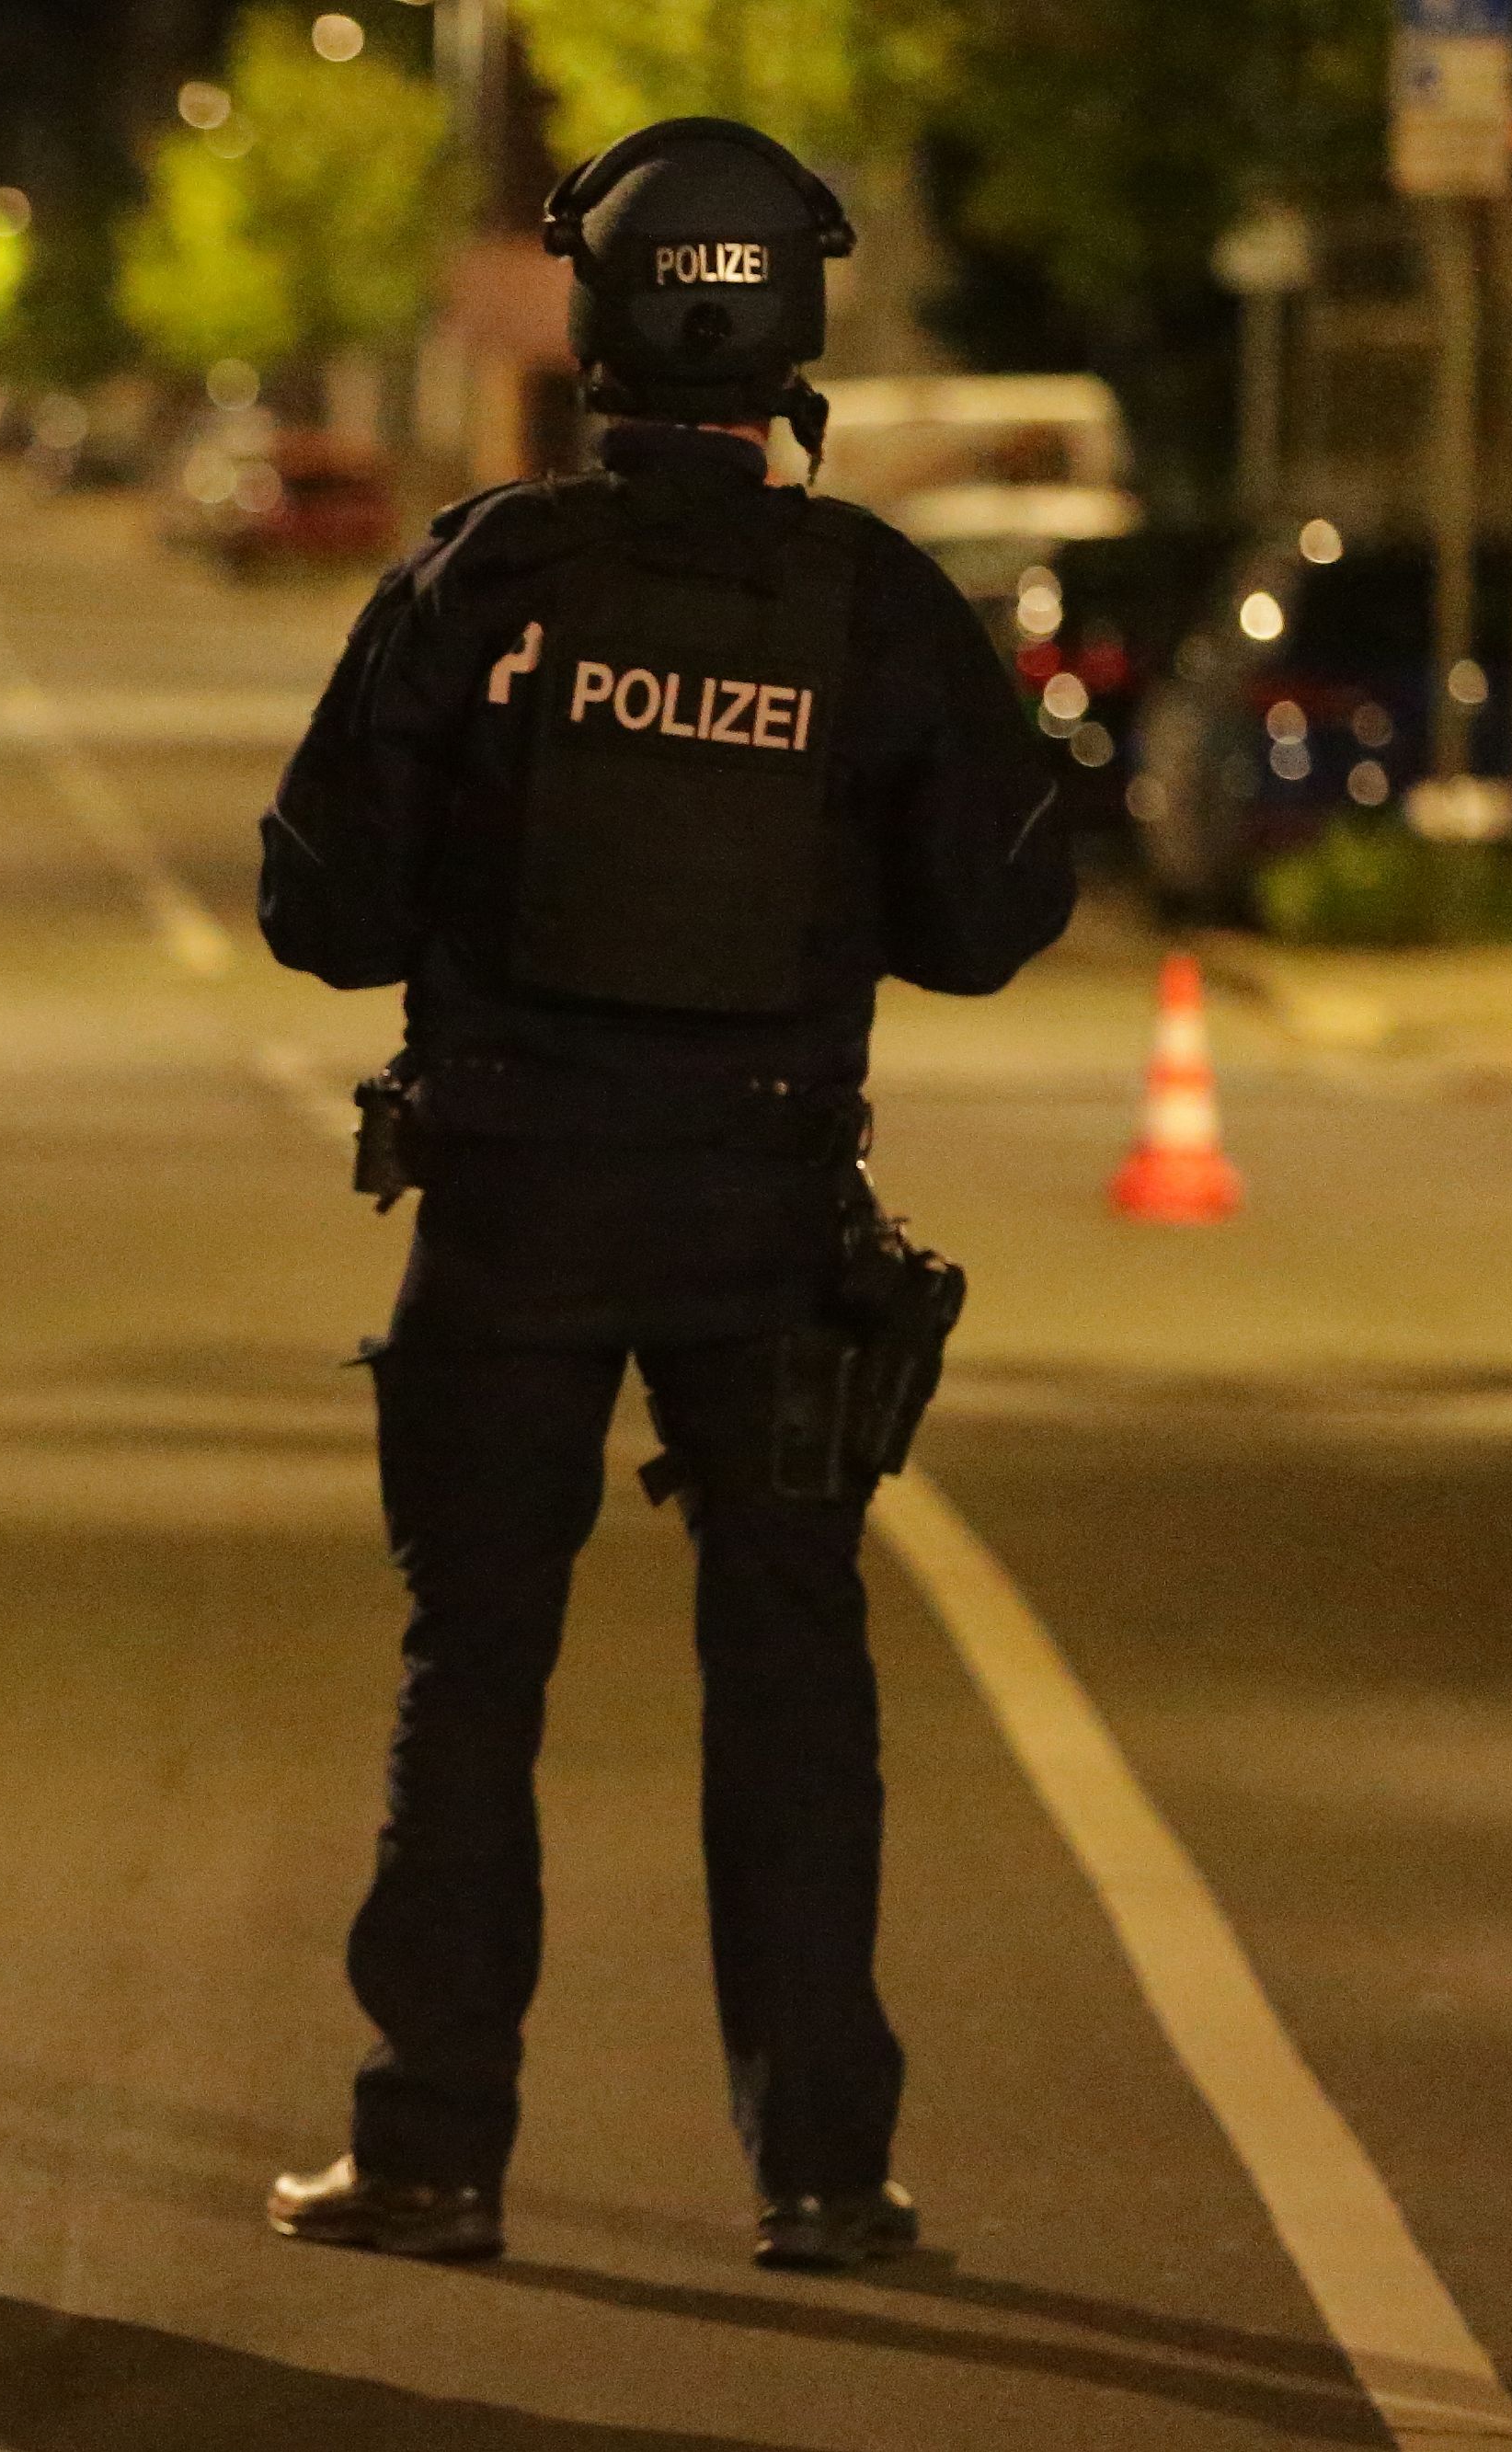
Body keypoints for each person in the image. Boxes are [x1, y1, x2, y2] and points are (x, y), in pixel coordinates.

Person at [253, 120, 1074, 2274]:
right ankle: (822, 2171)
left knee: (474, 1669)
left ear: (596, 327)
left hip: (510, 1198)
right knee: (790, 1675)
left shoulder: (481, 579)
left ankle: (428, 2153)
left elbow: (316, 906)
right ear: (789, 327)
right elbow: (992, 919)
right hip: (763, 1204)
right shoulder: (869, 602)